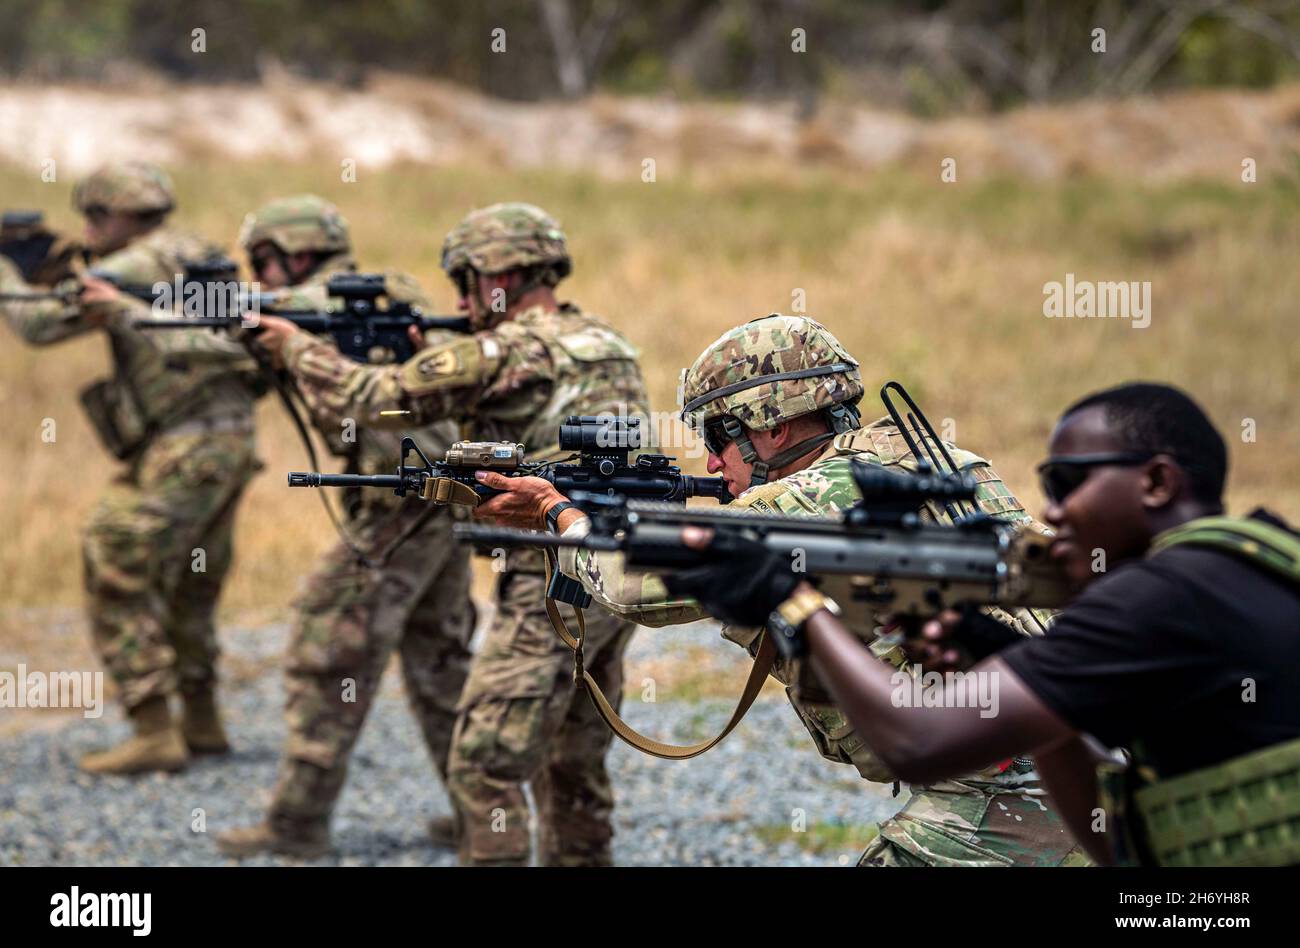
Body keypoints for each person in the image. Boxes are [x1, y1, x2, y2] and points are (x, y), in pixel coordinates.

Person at [473, 314, 1088, 866]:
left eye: (719, 436)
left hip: (1010, 789)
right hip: (1075, 749)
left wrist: (559, 515)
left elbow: (631, 588)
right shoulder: (933, 459)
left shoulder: (808, 495)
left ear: (770, 428)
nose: (713, 463)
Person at [672, 382, 1300, 865]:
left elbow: (917, 744)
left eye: (1067, 482)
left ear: (1158, 482)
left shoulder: (1155, 600)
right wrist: (1008, 659)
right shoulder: (1259, 565)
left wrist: (797, 605)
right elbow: (1117, 844)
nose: (1051, 510)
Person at [251, 202, 646, 866]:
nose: (462, 299)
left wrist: (292, 345)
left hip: (553, 576)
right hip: (616, 565)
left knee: (483, 762)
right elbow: (525, 414)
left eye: (467, 282)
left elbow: (373, 399)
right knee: (570, 761)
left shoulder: (504, 348)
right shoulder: (607, 342)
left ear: (499, 275)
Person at [213, 196, 475, 859]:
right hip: (436, 496)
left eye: (264, 262)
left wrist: (267, 327)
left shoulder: (341, 305)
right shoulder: (359, 301)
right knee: (441, 662)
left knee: (326, 650)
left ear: (291, 255)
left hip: (402, 503)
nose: (263, 276)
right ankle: (486, 816)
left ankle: (297, 825)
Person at [0, 161, 262, 774]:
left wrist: (8, 271)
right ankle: (201, 721)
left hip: (185, 442)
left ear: (115, 215)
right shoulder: (192, 250)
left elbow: (39, 325)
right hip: (225, 439)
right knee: (192, 581)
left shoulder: (133, 267)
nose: (87, 230)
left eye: (93, 217)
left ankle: (152, 728)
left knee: (114, 554)